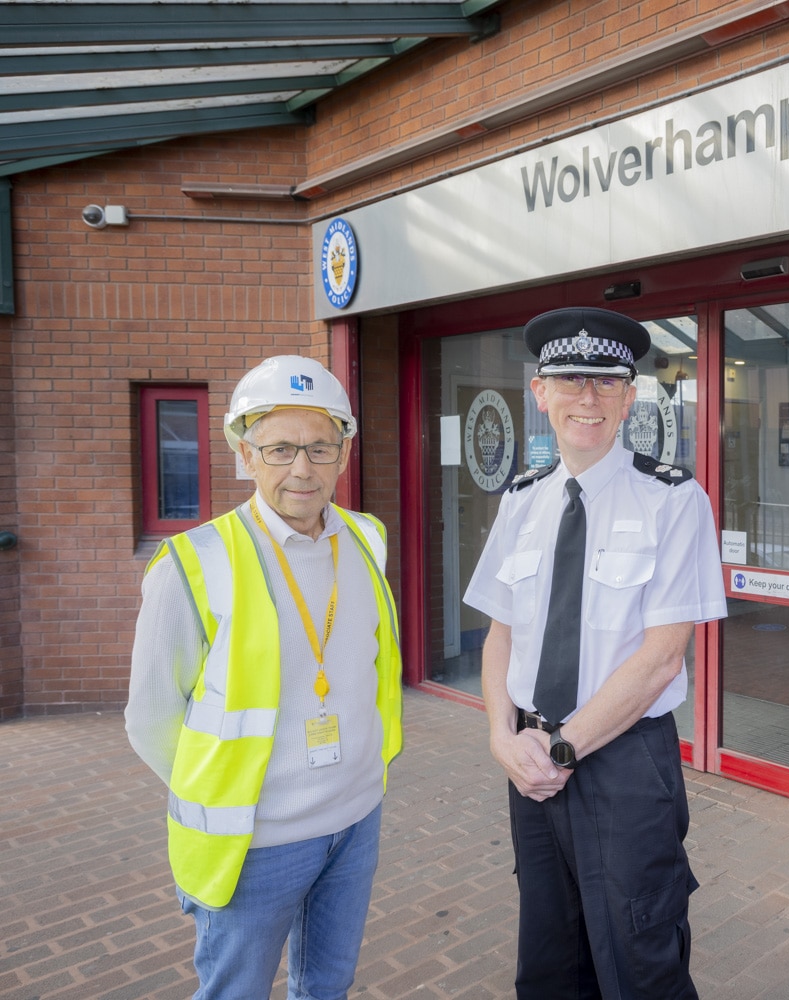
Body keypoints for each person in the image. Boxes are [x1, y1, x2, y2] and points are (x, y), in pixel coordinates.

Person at [463, 306, 726, 1000]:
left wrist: (564, 749)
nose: (588, 397)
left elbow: (663, 657)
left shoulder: (673, 500)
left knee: (640, 959)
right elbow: (501, 635)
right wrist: (501, 736)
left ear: (629, 398)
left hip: (625, 762)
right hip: (532, 760)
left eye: (606, 382)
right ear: (540, 393)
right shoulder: (520, 500)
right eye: (569, 380)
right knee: (549, 957)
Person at [125, 356, 402, 1000]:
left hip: (357, 817)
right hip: (259, 840)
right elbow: (151, 718)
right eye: (279, 449)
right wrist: (226, 789)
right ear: (244, 454)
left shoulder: (366, 540)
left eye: (318, 447)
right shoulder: (193, 562)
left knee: (327, 986)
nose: (301, 468)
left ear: (342, 454)